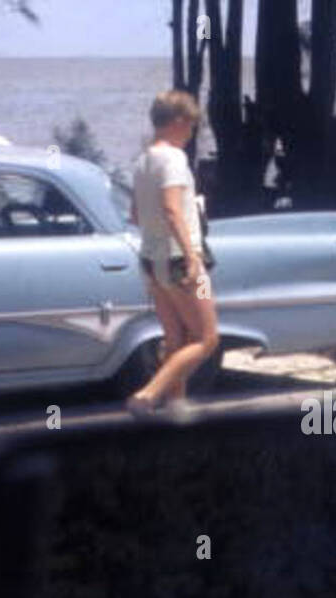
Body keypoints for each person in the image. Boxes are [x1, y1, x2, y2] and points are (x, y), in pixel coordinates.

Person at [126, 90, 219, 414]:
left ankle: (176, 407)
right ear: (179, 122)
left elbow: (135, 215)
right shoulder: (174, 159)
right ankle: (149, 394)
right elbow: (171, 209)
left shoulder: (142, 161)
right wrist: (193, 255)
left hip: (151, 260)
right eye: (191, 127)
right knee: (207, 339)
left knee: (175, 340)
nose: (191, 134)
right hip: (181, 259)